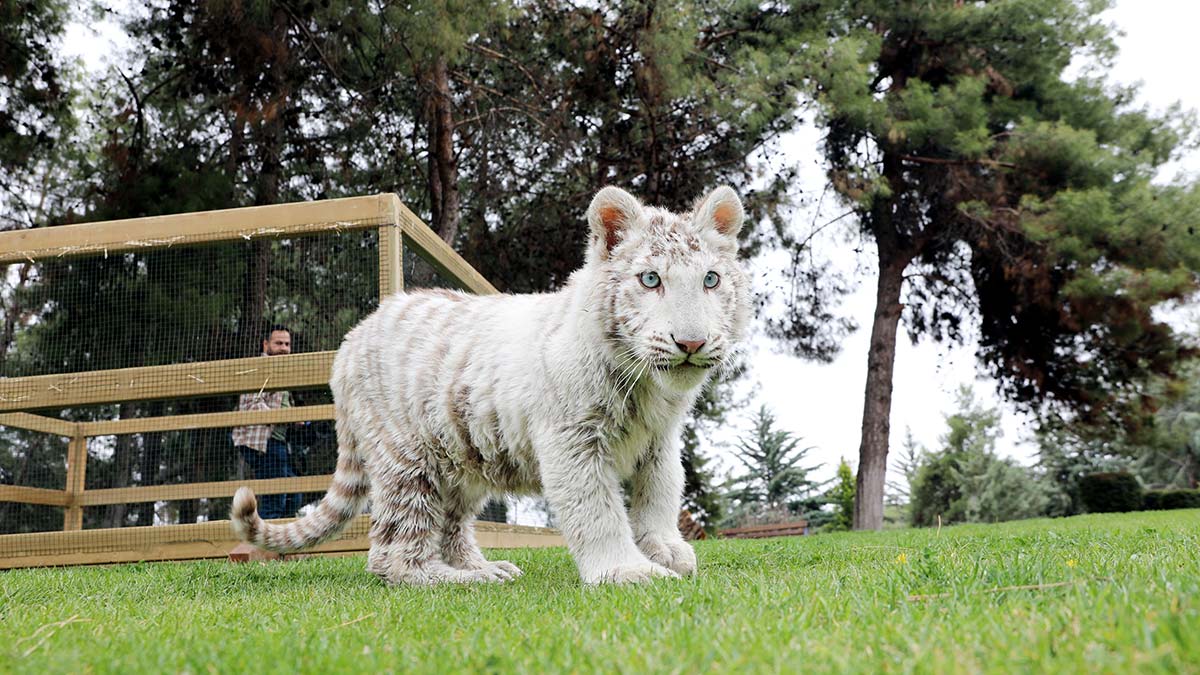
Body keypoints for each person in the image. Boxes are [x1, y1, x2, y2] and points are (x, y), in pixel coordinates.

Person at [231, 325, 302, 519]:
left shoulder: (283, 370)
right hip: (262, 442)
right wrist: (284, 416)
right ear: (265, 345)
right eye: (278, 343)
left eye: (287, 344)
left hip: (278, 442)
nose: (284, 348)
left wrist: (296, 418)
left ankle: (278, 539)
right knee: (275, 499)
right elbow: (252, 402)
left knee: (293, 495)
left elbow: (280, 403)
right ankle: (265, 543)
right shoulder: (260, 368)